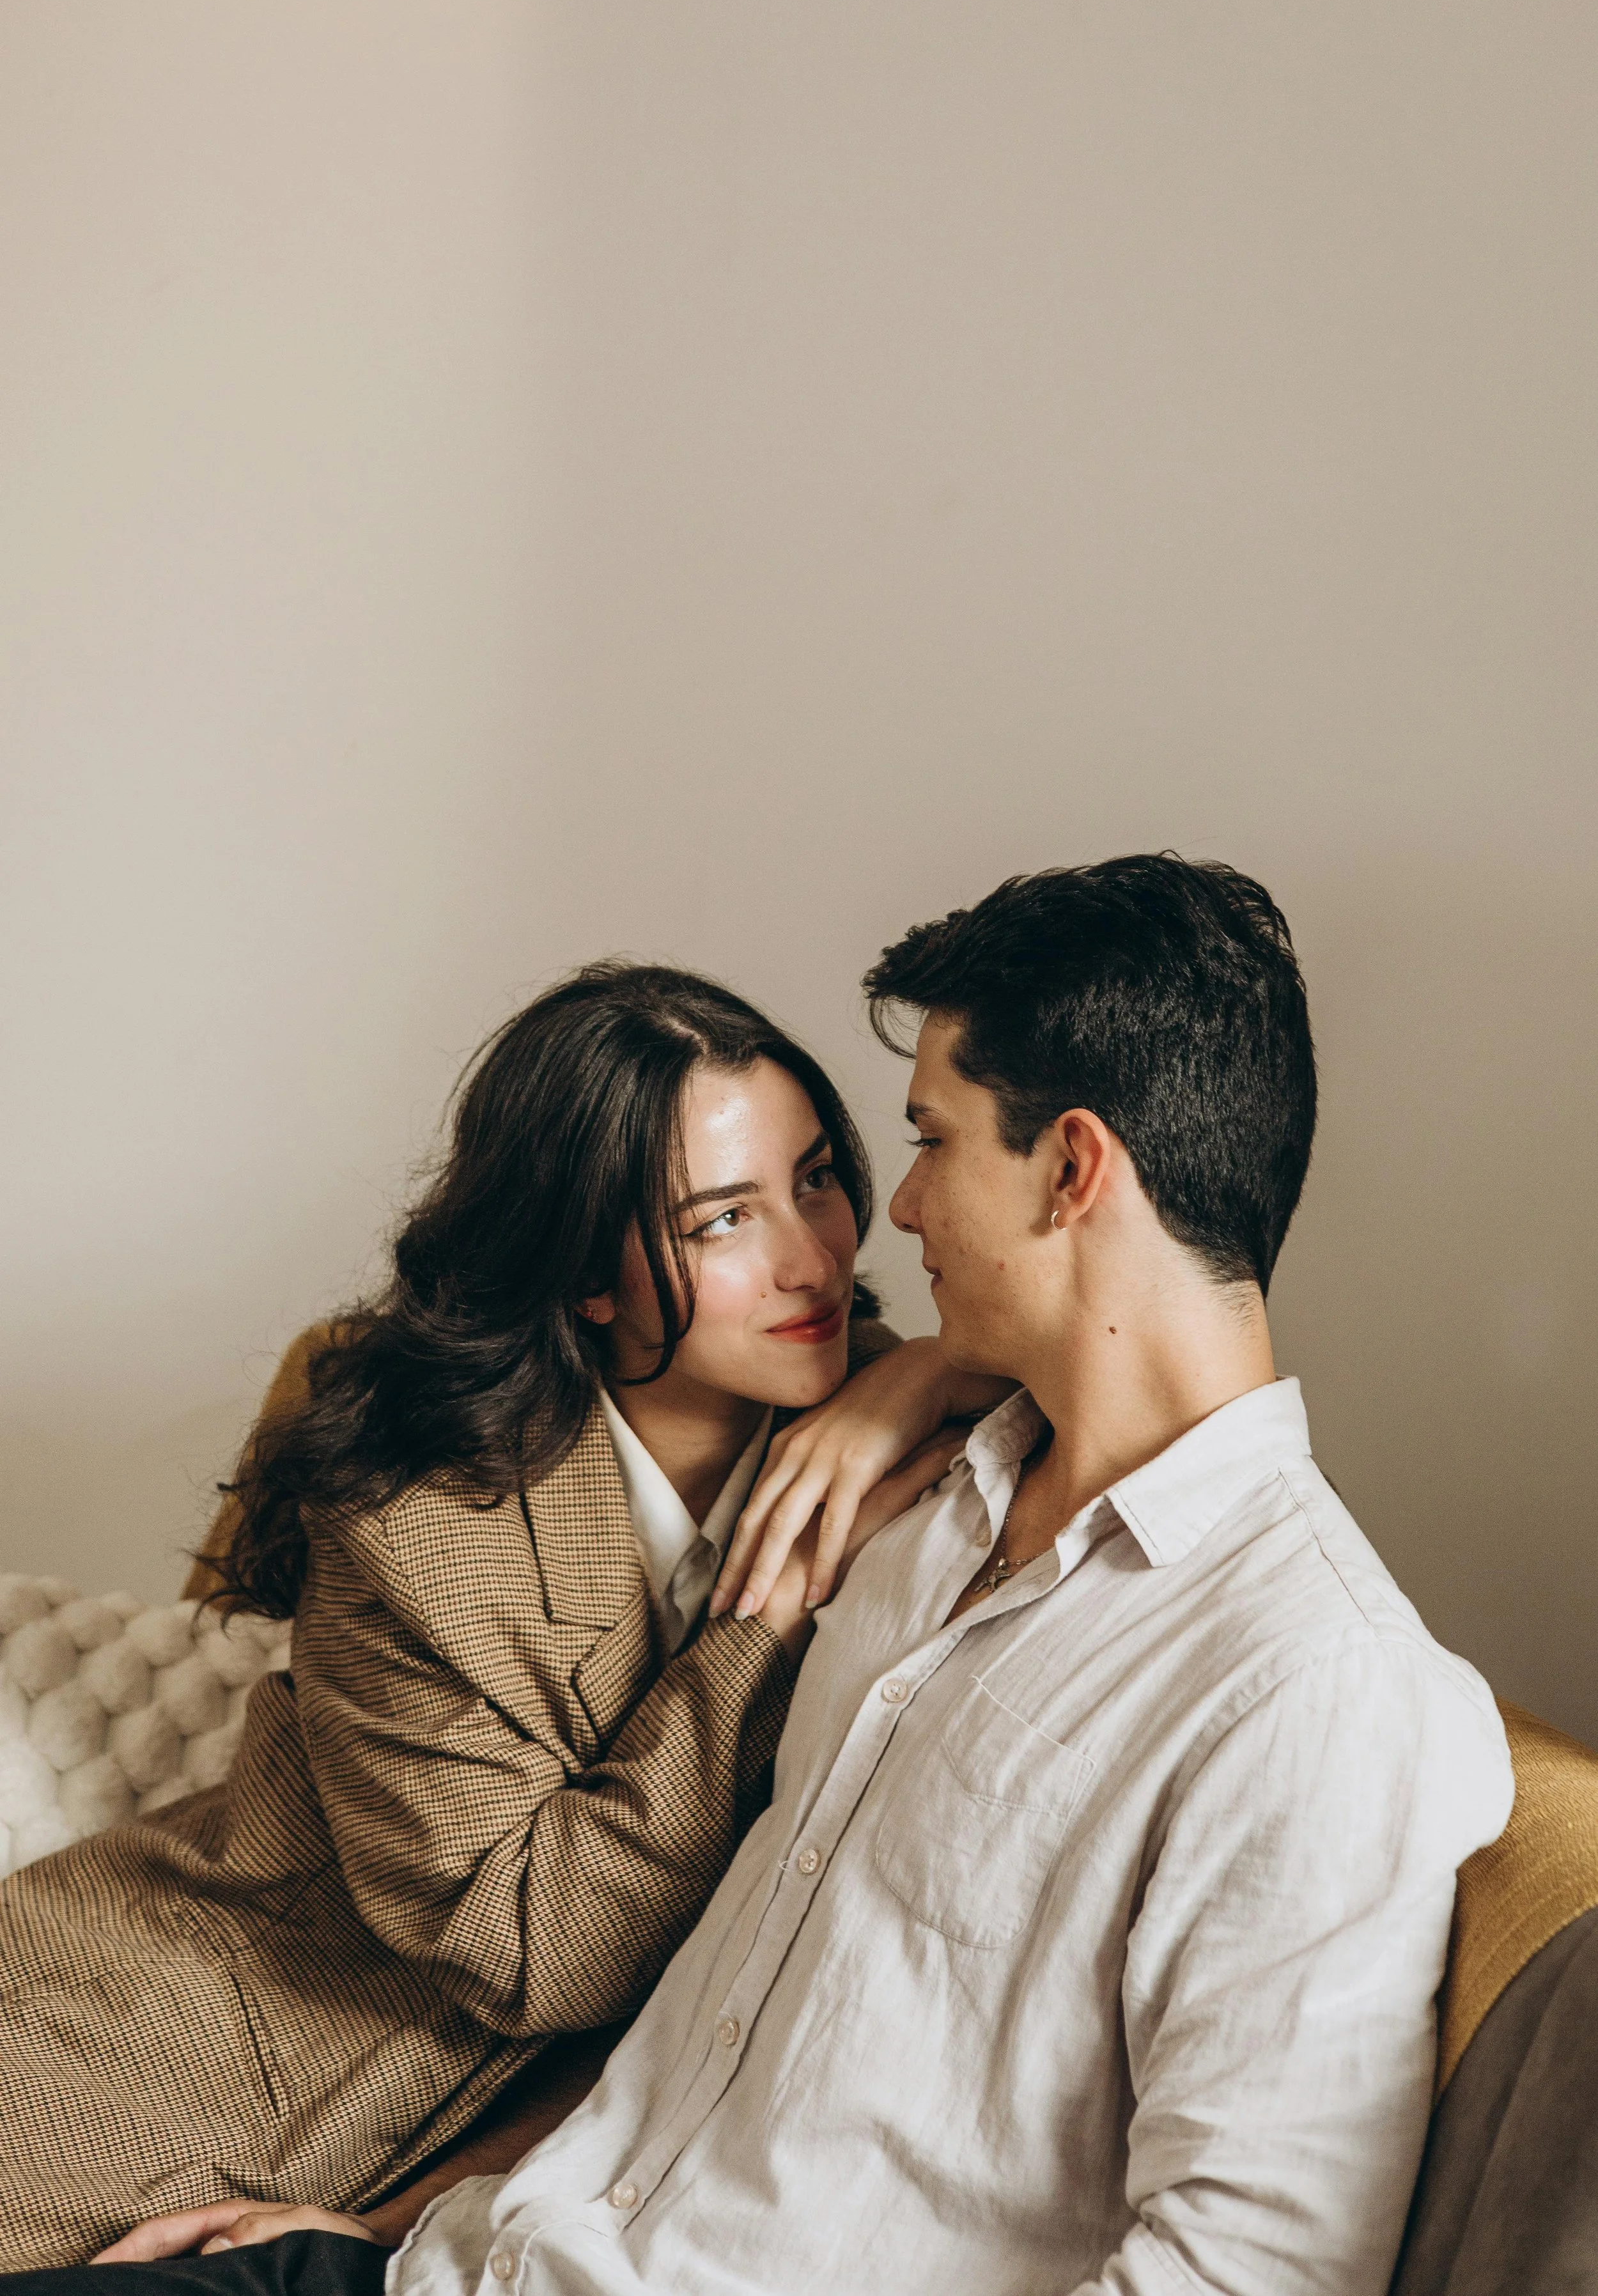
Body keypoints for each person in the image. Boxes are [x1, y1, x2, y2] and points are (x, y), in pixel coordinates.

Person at [40, 858, 1514, 2296]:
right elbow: (687, 2015)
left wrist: (904, 1391)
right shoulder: (919, 1513)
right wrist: (399, 2222)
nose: (880, 1226)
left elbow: (1246, 2260)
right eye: (731, 1214)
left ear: (1069, 1170)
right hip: (335, 2159)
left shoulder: (1310, 1684)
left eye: (911, 1148)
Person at [0, 963, 993, 2272]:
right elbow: (544, 1953)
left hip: (456, 2144)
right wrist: (767, 1621)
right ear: (590, 1277)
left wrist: (914, 1371)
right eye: (722, 1221)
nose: (812, 1258)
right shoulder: (416, 1533)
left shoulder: (888, 1428)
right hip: (163, 2044)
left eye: (815, 1178)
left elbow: (1070, 1347)